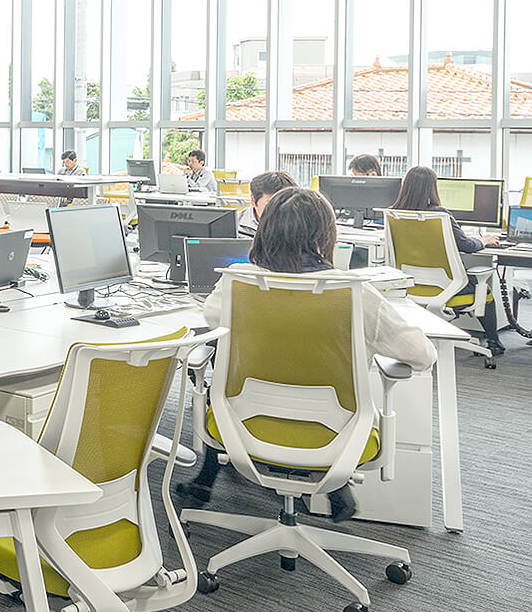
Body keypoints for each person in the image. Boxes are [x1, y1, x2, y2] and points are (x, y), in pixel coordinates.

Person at [180, 187, 437, 521]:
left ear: (264, 231)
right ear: (326, 235)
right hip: (336, 434)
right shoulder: (354, 293)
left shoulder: (235, 285)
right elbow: (422, 355)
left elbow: (212, 319)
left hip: (240, 426)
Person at [389, 166, 503, 348]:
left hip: (410, 285)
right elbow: (467, 246)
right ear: (432, 188)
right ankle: (494, 342)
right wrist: (484, 240)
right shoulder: (440, 214)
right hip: (447, 287)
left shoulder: (394, 215)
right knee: (484, 290)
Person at [237, 170, 297, 237]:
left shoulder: (299, 224)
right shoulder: (234, 226)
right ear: (253, 200)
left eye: (284, 203)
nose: (278, 210)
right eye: (271, 204)